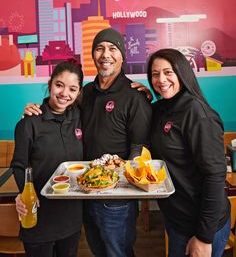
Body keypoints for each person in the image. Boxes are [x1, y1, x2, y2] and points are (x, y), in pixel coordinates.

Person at [22, 28, 152, 257]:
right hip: (83, 189)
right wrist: (35, 111)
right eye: (100, 48)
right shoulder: (86, 92)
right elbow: (59, 108)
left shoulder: (135, 96)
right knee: (98, 250)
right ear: (93, 55)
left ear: (122, 55)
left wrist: (119, 186)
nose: (105, 54)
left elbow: (139, 149)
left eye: (112, 49)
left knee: (118, 252)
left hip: (115, 198)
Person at [147, 48, 230, 257]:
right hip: (177, 220)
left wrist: (204, 237)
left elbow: (215, 176)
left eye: (168, 72)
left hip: (200, 225)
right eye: (155, 74)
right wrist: (140, 95)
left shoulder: (198, 114)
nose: (161, 79)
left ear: (182, 73)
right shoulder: (162, 109)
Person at [11, 60, 84, 257]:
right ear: (50, 84)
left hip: (71, 217)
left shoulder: (80, 117)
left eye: (72, 89)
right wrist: (25, 193)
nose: (64, 93)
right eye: (59, 85)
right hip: (39, 217)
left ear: (78, 93)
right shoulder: (29, 124)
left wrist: (141, 94)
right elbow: (19, 166)